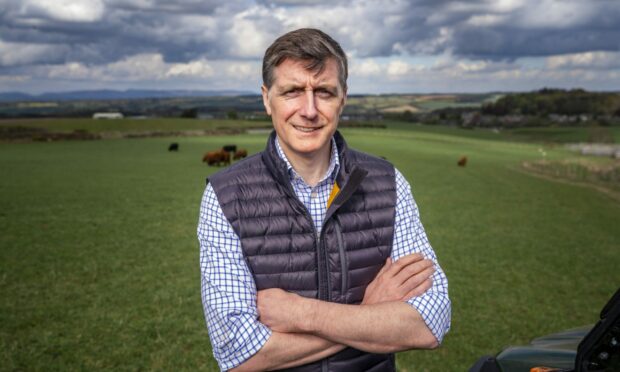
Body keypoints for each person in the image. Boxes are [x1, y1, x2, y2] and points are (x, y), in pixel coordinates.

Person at [198, 28, 451, 372]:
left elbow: (429, 323)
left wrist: (300, 313)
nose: (309, 110)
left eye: (324, 92)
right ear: (266, 98)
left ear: (343, 98)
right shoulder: (226, 196)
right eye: (292, 92)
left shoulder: (388, 184)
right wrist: (368, 313)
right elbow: (240, 354)